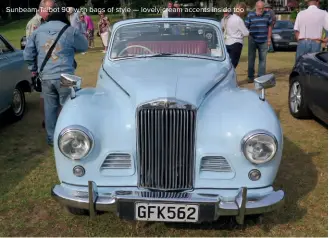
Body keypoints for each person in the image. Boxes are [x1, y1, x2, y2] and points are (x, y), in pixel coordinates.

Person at [23, 0, 88, 146]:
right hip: (67, 75)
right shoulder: (70, 30)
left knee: (50, 108)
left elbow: (27, 54)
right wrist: (70, 50)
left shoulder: (38, 31)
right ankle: (71, 137)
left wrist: (33, 69)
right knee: (70, 106)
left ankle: (52, 138)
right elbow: (84, 47)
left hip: (46, 75)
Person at [25, 5, 46, 128]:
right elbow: (30, 46)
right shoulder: (34, 23)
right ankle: (45, 120)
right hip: (39, 63)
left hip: (48, 61)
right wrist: (33, 69)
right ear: (41, 9)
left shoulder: (46, 22)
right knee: (44, 92)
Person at [245, 0, 273, 83]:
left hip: (264, 40)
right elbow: (246, 27)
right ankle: (250, 77)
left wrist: (269, 38)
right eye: (260, 8)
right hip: (252, 40)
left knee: (262, 60)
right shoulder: (250, 15)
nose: (261, 10)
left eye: (262, 8)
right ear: (256, 7)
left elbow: (270, 27)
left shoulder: (268, 15)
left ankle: (261, 77)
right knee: (251, 59)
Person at [221, 2, 249, 68]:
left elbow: (222, 27)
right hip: (236, 44)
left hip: (226, 43)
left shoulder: (227, 18)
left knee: (227, 64)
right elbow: (246, 33)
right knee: (233, 65)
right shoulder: (239, 20)